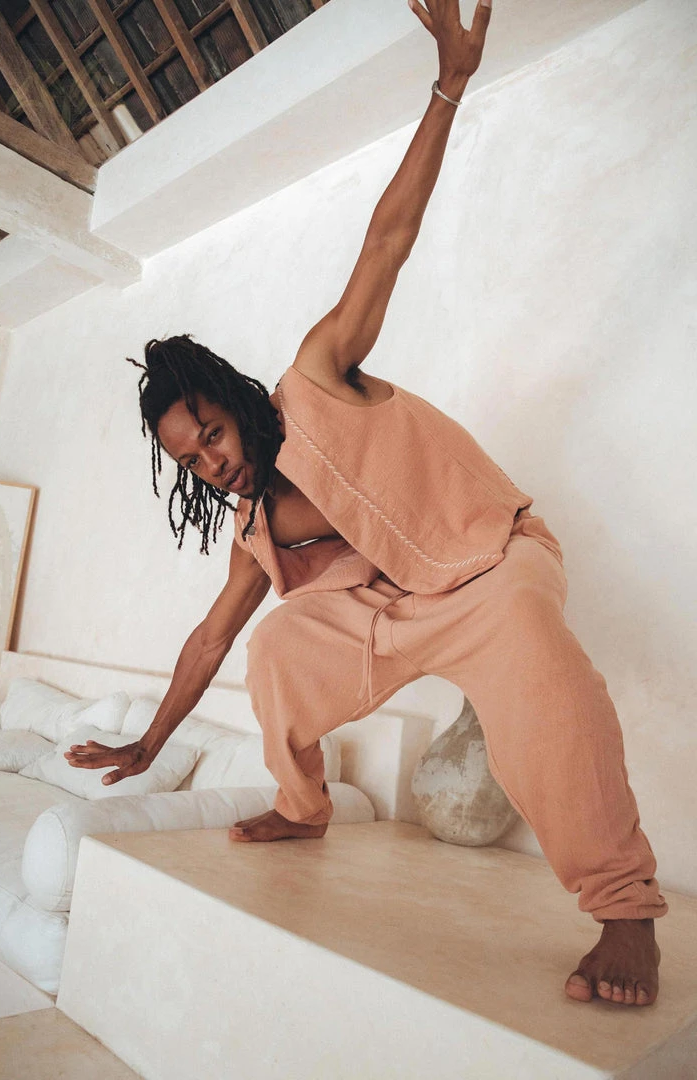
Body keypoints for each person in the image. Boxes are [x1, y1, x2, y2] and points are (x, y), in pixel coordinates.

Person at [65, 0, 665, 1006]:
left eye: (211, 434)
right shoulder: (254, 529)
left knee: (542, 671)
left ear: (237, 404)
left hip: (488, 564)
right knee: (273, 649)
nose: (211, 462)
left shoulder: (317, 381)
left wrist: (449, 86)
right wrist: (148, 744)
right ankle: (304, 808)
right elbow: (209, 642)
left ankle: (624, 911)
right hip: (390, 610)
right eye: (190, 459)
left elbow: (388, 239)